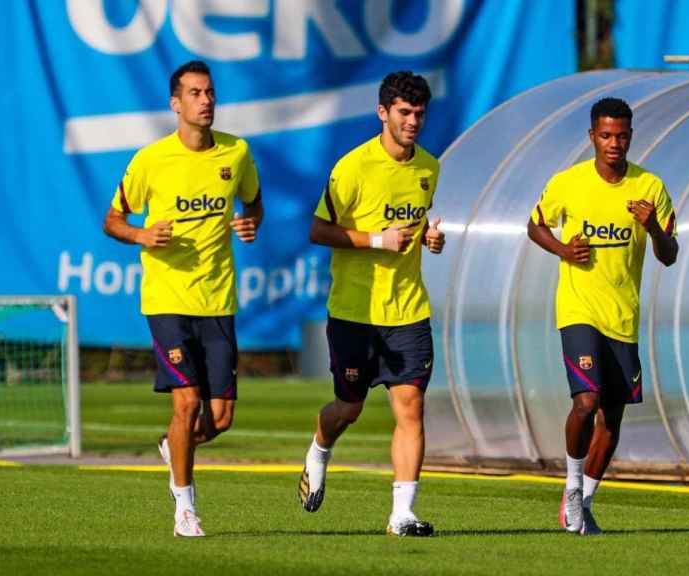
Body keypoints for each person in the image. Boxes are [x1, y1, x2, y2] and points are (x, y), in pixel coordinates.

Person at [102, 60, 263, 538]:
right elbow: (112, 220)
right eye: (195, 93)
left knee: (220, 418)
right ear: (176, 103)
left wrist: (250, 221)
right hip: (167, 299)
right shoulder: (151, 160)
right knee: (187, 403)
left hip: (218, 303)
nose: (205, 100)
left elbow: (254, 202)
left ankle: (174, 448)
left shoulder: (236, 154)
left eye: (210, 92)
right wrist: (141, 235)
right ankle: (185, 511)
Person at [297, 71, 445, 537]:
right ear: (383, 113)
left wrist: (431, 239)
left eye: (419, 113)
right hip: (355, 312)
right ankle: (320, 449)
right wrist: (376, 238)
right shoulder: (352, 167)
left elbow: (416, 230)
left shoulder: (429, 168)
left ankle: (402, 514)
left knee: (411, 406)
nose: (413, 122)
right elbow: (319, 231)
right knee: (349, 407)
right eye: (404, 112)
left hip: (408, 310)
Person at [526, 97, 678, 535]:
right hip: (578, 309)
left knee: (612, 419)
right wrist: (562, 249)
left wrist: (652, 228)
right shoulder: (568, 183)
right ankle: (572, 489)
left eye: (622, 135)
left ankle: (584, 502)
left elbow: (669, 256)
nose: (615, 143)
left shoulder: (650, 187)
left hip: (623, 316)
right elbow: (535, 224)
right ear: (592, 136)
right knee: (586, 403)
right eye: (606, 135)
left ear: (631, 136)